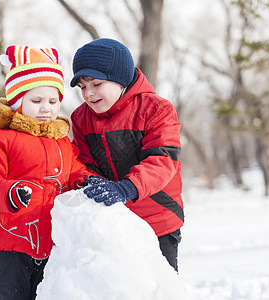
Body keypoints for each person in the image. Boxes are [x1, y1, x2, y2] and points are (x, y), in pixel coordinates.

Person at [0, 45, 91, 300]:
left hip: (49, 247)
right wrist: (8, 193)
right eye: (36, 101)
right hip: (8, 245)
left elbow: (74, 170)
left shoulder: (61, 142)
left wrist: (85, 181)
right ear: (17, 101)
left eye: (53, 101)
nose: (46, 108)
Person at [69, 38, 184, 272]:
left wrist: (127, 188)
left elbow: (162, 159)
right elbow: (84, 163)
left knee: (157, 288)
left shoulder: (155, 109)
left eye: (96, 84)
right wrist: (89, 180)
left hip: (157, 219)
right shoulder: (81, 118)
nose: (88, 94)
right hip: (114, 222)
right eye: (82, 87)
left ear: (119, 79)